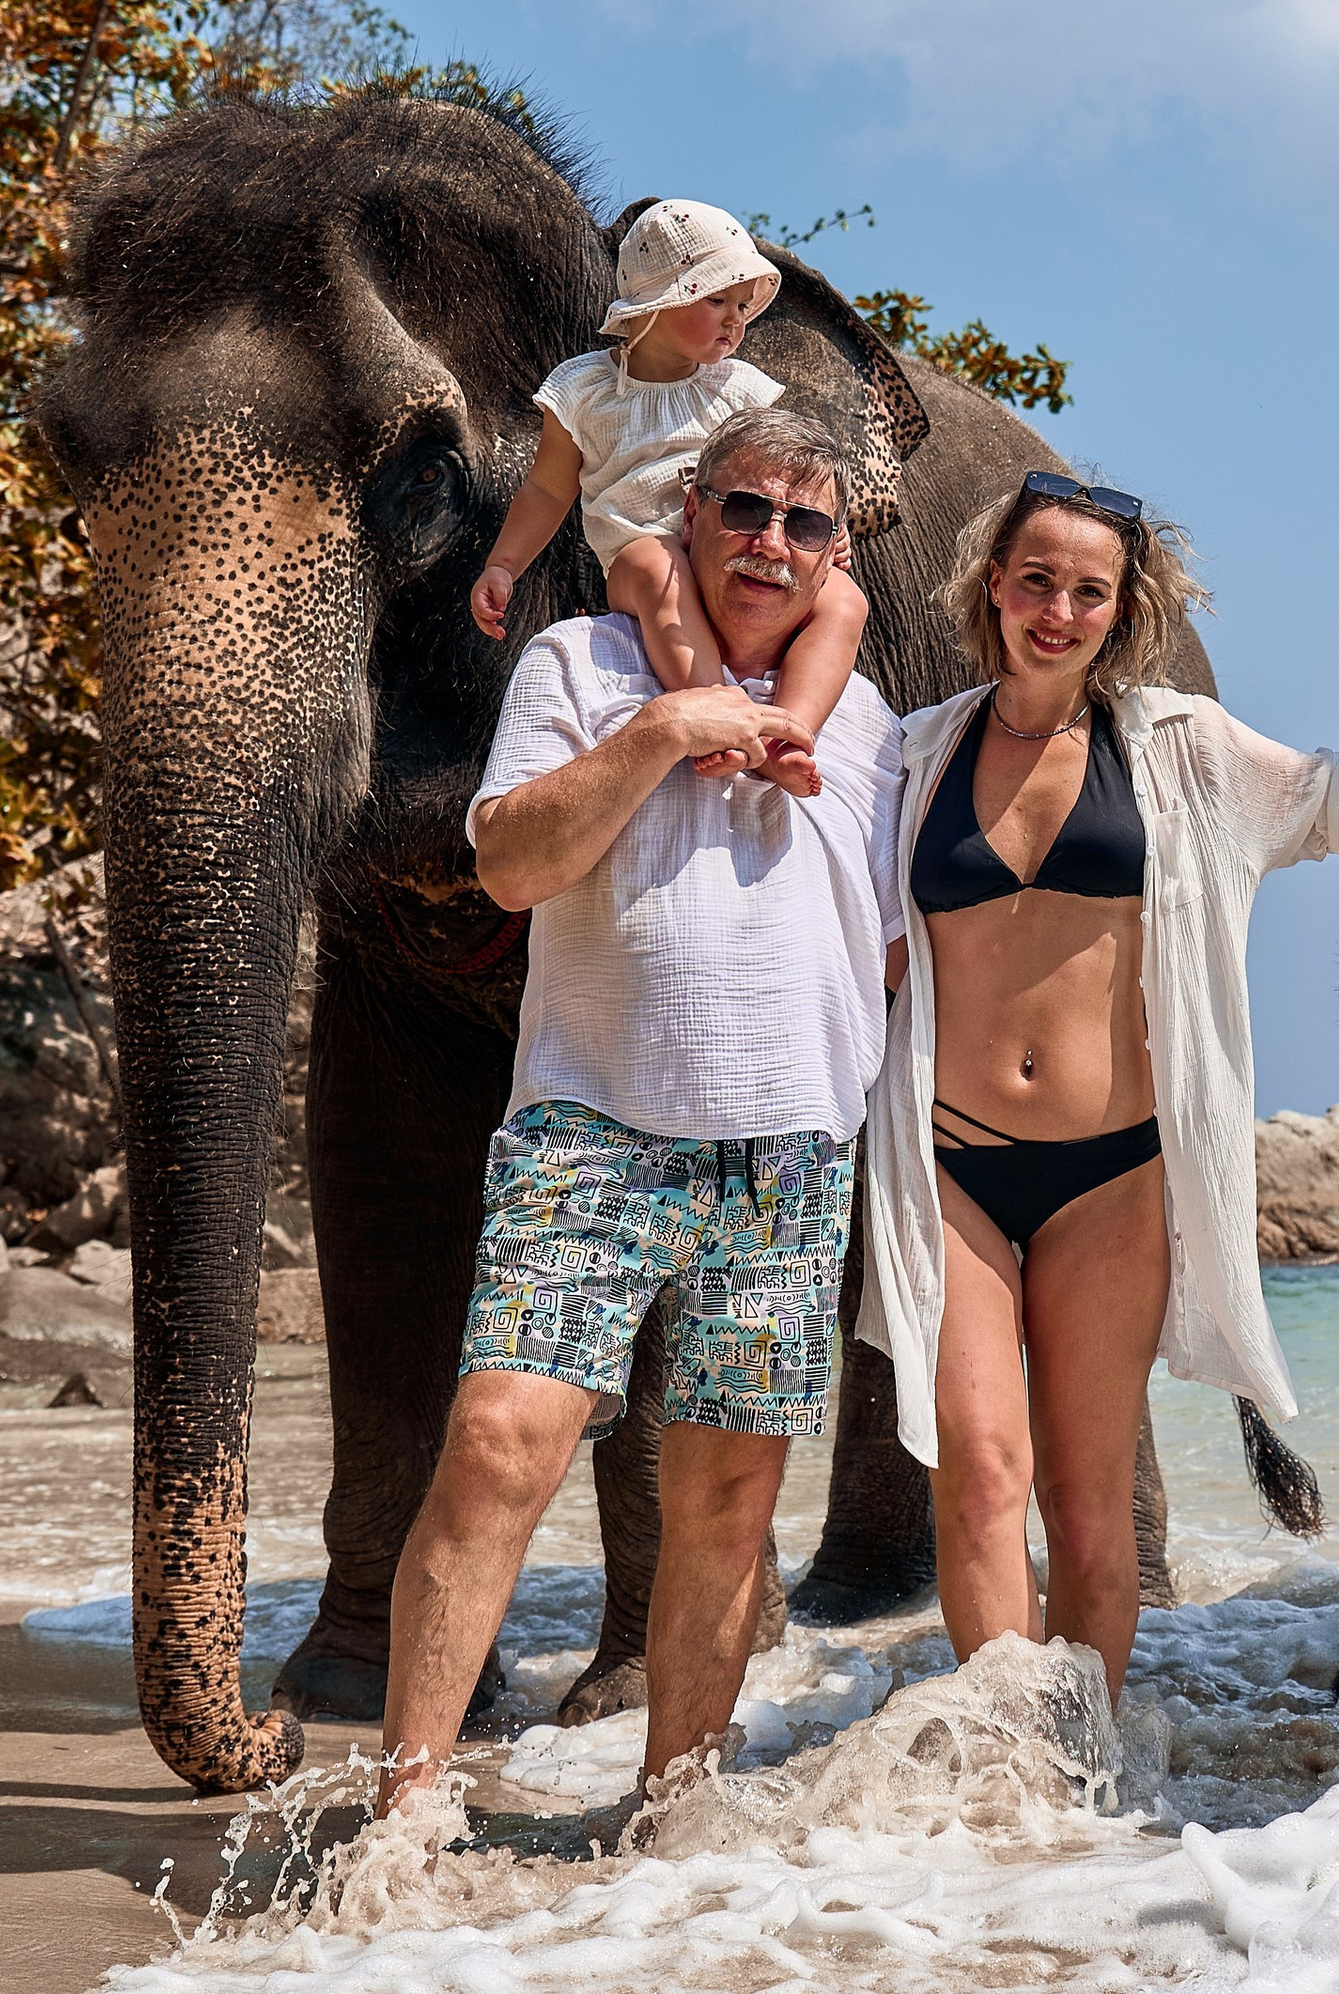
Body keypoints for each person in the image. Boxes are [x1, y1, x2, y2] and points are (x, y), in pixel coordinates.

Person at [857, 468, 1339, 1699]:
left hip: (1112, 1175)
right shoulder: (912, 758)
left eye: (1089, 590)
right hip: (947, 1164)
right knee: (978, 1470)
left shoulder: (1179, 749)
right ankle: (1000, 1774)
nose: (1059, 609)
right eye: (1037, 579)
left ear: (1120, 608)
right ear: (994, 583)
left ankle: (1074, 1755)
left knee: (1087, 1501)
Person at [379, 409, 907, 1813]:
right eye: (743, 510)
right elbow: (507, 867)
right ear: (686, 516)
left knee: (729, 1506)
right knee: (498, 1443)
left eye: (802, 525)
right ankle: (404, 1819)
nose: (768, 545)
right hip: (591, 1127)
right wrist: (670, 729)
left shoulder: (864, 720)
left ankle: (673, 1822)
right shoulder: (581, 664)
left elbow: (895, 940)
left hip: (790, 1151)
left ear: (837, 554)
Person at [469, 196, 868, 797]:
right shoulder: (587, 391)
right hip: (639, 552)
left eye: (742, 306)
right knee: (662, 571)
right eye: (716, 301)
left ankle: (789, 734)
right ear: (657, 302)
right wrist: (504, 564)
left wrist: (822, 540)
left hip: (736, 543)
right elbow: (548, 488)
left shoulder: (743, 391)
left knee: (844, 600)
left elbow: (790, 477)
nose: (735, 321)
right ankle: (722, 720)